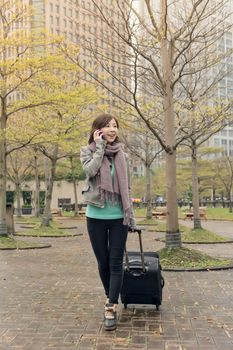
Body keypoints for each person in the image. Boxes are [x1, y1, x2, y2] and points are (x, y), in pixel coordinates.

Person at [80, 113, 136, 331]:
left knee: (115, 263)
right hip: (96, 216)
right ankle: (110, 295)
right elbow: (90, 171)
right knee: (103, 263)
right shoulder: (88, 151)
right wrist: (100, 147)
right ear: (98, 130)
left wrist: (131, 214)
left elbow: (127, 187)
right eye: (108, 126)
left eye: (115, 126)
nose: (113, 130)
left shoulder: (123, 155)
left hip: (118, 218)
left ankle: (110, 306)